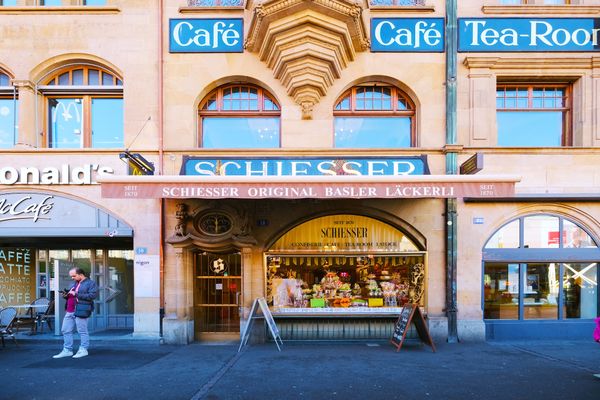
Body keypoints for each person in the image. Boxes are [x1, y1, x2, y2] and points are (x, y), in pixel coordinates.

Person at [53, 267, 98, 359]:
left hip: (81, 309)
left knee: (82, 331)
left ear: (81, 275)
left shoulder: (91, 283)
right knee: (65, 330)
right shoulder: (73, 283)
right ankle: (67, 350)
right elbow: (71, 295)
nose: (72, 278)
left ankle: (83, 349)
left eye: (74, 276)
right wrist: (65, 295)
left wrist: (76, 294)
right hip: (69, 310)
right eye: (71, 276)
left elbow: (92, 296)